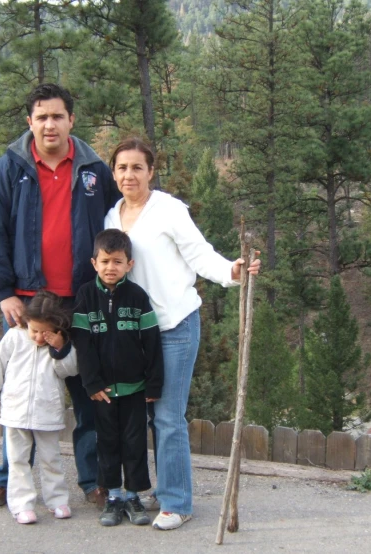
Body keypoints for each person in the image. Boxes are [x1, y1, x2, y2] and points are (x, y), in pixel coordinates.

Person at [104, 138, 261, 531]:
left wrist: (231, 271)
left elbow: (199, 253)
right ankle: (146, 490)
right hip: (132, 333)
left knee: (168, 417)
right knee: (137, 417)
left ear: (151, 171)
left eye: (137, 167)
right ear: (113, 173)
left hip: (174, 326)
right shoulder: (111, 216)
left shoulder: (169, 210)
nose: (129, 175)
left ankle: (177, 501)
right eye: (122, 168)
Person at [0, 83, 120, 509]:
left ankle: (93, 481)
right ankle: (6, 481)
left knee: (88, 393)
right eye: (41, 117)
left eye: (57, 116)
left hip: (81, 301)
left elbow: (116, 229)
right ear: (30, 122)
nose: (50, 124)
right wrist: (4, 292)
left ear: (71, 120)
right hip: (28, 304)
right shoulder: (11, 167)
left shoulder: (95, 170)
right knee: (21, 396)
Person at [71, 230, 163, 527]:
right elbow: (82, 345)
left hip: (135, 388)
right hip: (103, 392)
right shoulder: (85, 295)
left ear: (129, 264)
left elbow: (151, 342)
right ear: (94, 263)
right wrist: (92, 383)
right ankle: (112, 496)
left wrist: (154, 382)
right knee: (107, 443)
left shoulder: (137, 296)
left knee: (135, 443)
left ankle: (133, 496)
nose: (111, 267)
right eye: (105, 261)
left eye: (118, 262)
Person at [0, 291, 77, 524]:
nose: (40, 338)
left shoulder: (61, 344)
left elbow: (69, 371)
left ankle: (58, 500)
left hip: (47, 412)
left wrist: (60, 349)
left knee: (51, 459)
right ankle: (22, 504)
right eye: (35, 331)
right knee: (18, 460)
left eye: (46, 332)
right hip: (15, 411)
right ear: (26, 323)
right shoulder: (14, 337)